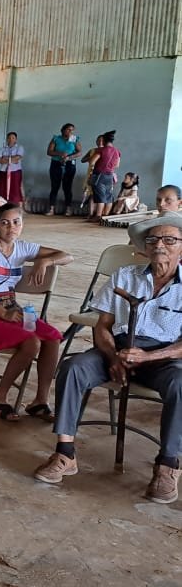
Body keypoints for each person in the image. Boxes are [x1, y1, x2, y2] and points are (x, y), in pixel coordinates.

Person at [33, 213, 182, 504]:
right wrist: (113, 356)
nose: (159, 245)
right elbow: (102, 325)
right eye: (152, 240)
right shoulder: (125, 275)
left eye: (169, 240)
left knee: (180, 382)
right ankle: (65, 453)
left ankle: (168, 465)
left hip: (162, 357)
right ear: (144, 247)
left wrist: (151, 355)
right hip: (118, 348)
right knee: (73, 367)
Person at [0, 203, 72, 421]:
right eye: (5, 222)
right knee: (31, 342)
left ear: (22, 225)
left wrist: (45, 260)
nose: (11, 227)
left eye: (16, 222)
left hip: (13, 308)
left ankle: (40, 401)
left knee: (53, 337)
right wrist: (3, 314)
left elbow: (67, 256)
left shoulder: (23, 248)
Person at [46, 123, 81, 215]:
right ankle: (51, 209)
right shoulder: (56, 138)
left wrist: (69, 157)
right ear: (63, 130)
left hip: (70, 164)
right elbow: (49, 151)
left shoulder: (74, 139)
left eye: (72, 130)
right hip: (56, 164)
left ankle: (68, 209)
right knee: (54, 186)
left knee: (67, 187)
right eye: (69, 129)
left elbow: (79, 152)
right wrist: (60, 153)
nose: (71, 132)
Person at [87, 130, 121, 222]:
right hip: (110, 175)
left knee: (100, 196)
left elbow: (92, 162)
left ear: (104, 140)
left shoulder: (101, 150)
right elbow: (117, 165)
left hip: (99, 175)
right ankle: (106, 215)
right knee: (108, 196)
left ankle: (98, 216)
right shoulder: (117, 151)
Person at [0, 131, 25, 205]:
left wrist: (5, 158)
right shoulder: (1, 149)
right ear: (7, 139)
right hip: (3, 171)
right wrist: (12, 159)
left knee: (15, 188)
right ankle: (2, 205)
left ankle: (18, 206)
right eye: (9, 138)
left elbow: (17, 158)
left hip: (15, 171)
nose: (11, 139)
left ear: (16, 139)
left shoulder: (19, 148)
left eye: (13, 138)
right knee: (1, 188)